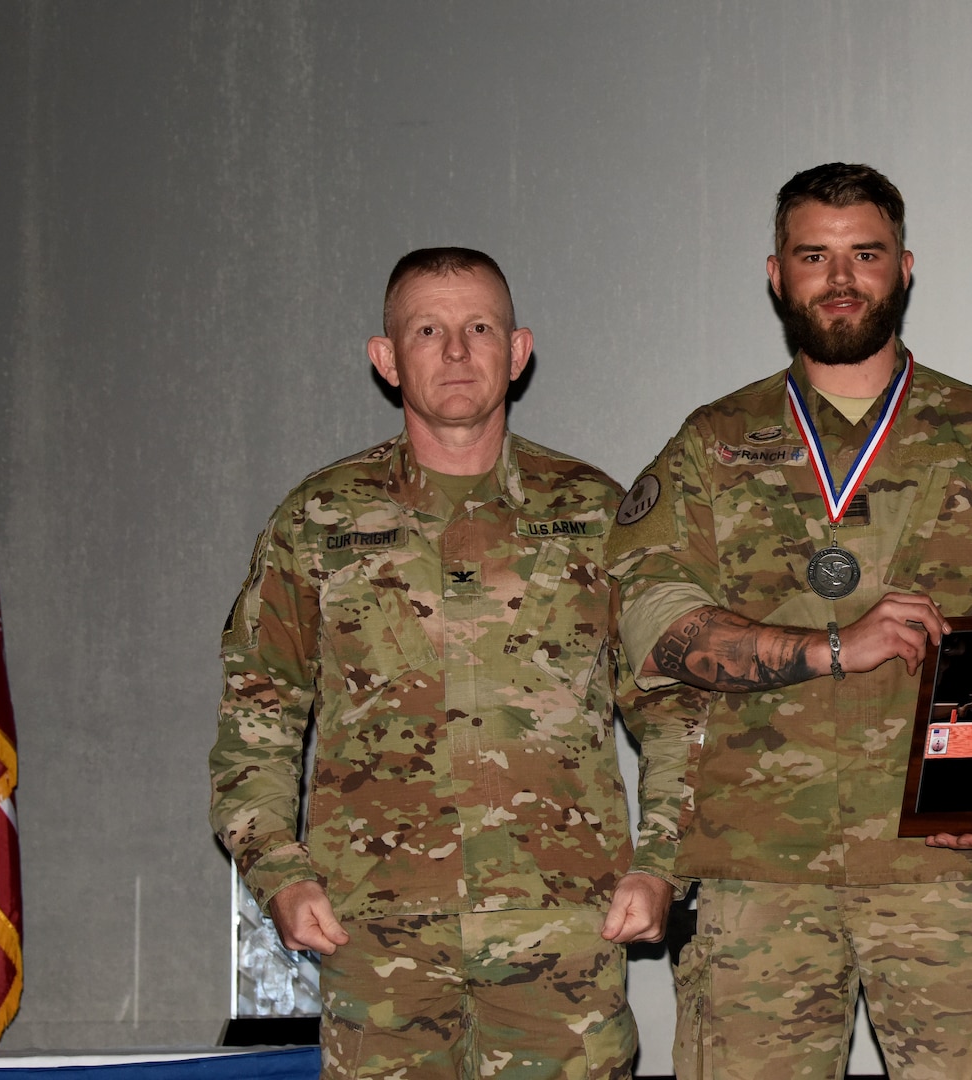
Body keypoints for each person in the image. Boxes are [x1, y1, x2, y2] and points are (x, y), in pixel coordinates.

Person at [607, 163, 972, 1080]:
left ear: (904, 267)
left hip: (948, 875)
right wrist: (832, 648)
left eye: (863, 253)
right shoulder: (711, 442)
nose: (840, 278)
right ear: (775, 274)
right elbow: (653, 625)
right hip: (758, 882)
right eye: (813, 256)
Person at [209, 248, 671, 1080]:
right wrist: (279, 873)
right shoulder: (319, 520)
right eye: (428, 330)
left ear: (518, 350)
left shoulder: (598, 514)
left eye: (478, 328)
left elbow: (674, 711)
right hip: (377, 937)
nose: (456, 352)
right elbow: (258, 714)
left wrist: (662, 862)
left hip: (562, 935)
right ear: (386, 359)